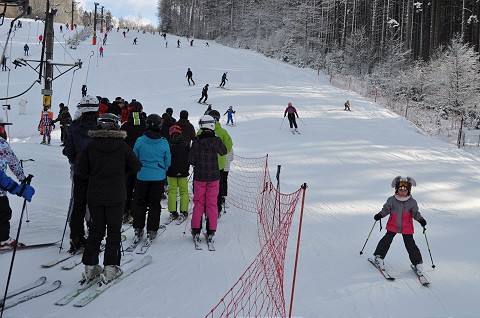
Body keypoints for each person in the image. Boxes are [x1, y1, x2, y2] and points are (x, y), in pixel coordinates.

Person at [77, 113, 141, 284]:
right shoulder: (122, 146)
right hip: (116, 195)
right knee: (113, 231)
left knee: (95, 231)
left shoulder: (91, 147)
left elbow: (81, 170)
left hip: (95, 195)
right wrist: (122, 172)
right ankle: (111, 267)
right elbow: (136, 166)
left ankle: (90, 267)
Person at [63, 95, 100, 253]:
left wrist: (75, 161)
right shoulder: (100, 127)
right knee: (95, 203)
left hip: (79, 170)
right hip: (98, 172)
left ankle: (76, 237)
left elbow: (69, 150)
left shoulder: (75, 126)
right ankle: (94, 235)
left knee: (78, 203)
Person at [372, 176, 427, 275]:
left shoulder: (412, 202)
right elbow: (386, 209)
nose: (402, 192)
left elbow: (415, 213)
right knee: (386, 240)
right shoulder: (392, 200)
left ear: (409, 191)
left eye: (405, 190)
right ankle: (378, 257)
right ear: (396, 189)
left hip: (407, 227)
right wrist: (380, 215)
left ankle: (417, 263)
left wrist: (421, 220)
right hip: (393, 225)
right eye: (400, 190)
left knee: (410, 244)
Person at [131, 114, 171, 244]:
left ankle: (138, 228)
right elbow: (168, 160)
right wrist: (162, 170)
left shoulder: (140, 140)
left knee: (140, 202)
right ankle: (152, 229)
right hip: (158, 176)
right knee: (154, 203)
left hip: (142, 175)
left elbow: (134, 157)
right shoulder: (164, 142)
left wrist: (139, 169)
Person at [189, 115, 227, 243]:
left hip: (199, 176)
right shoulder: (215, 140)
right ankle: (211, 230)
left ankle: (195, 229)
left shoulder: (196, 141)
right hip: (214, 177)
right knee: (211, 203)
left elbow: (191, 160)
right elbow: (223, 151)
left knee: (199, 203)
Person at [0, 142, 34, 249]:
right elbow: (13, 162)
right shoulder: (2, 144)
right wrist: (20, 185)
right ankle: (3, 240)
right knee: (3, 213)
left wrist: (22, 178)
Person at [120, 100, 146, 223]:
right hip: (141, 162)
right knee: (138, 188)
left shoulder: (125, 126)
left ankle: (125, 210)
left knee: (127, 187)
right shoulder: (145, 125)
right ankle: (135, 211)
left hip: (126, 162)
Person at [206, 110, 233, 217]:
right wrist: (220, 153)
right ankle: (216, 209)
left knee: (206, 187)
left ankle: (206, 209)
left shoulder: (201, 131)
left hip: (204, 166)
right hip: (219, 166)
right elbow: (228, 147)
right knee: (217, 187)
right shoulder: (222, 132)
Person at [166, 125, 190, 223]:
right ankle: (183, 211)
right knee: (184, 191)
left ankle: (173, 211)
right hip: (183, 171)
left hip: (171, 171)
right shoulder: (186, 144)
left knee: (172, 191)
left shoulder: (168, 144)